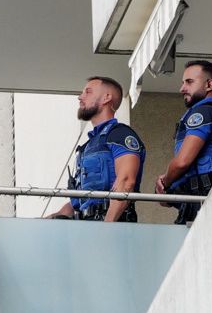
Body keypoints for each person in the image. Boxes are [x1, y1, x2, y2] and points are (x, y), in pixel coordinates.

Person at [48, 76, 145, 222]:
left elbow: (126, 182)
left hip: (113, 226)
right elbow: (78, 202)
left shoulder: (120, 134)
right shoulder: (87, 146)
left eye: (88, 92)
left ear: (106, 98)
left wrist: (106, 229)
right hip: (87, 227)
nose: (80, 97)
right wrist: (45, 221)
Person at [155, 60, 212, 224]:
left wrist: (164, 182)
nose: (182, 88)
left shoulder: (203, 112)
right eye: (183, 82)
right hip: (199, 202)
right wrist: (168, 191)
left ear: (209, 84)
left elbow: (182, 162)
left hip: (204, 201)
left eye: (189, 82)